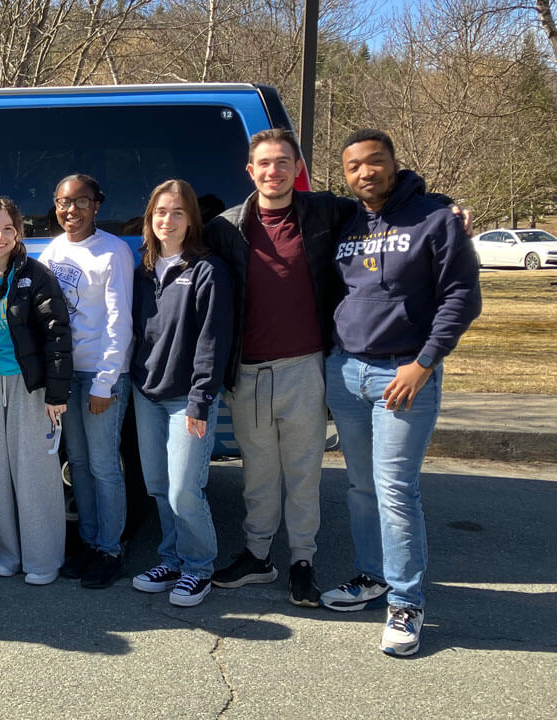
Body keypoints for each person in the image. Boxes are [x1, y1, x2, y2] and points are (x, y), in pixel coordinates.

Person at [321, 129, 480, 657]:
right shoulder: (345, 221)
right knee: (360, 487)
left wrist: (424, 363)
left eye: (375, 161)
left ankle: (407, 601)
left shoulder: (434, 217)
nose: (365, 172)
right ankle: (371, 577)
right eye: (354, 166)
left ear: (393, 163)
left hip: (403, 374)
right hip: (346, 371)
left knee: (395, 489)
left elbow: (461, 297)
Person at [202, 128, 350, 607]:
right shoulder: (225, 228)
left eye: (283, 161)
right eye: (264, 163)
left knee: (304, 473)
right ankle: (258, 556)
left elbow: (385, 206)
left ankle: (301, 561)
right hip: (247, 373)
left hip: (305, 367)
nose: (274, 171)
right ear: (251, 171)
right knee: (258, 474)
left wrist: (443, 208)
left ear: (297, 168)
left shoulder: (325, 212)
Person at [127, 179, 233, 608]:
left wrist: (201, 400)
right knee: (157, 484)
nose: (166, 220)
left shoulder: (207, 271)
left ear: (191, 219)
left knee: (184, 490)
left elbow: (212, 342)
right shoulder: (143, 270)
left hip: (186, 398)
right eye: (159, 212)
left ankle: (198, 567)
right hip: (146, 393)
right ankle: (170, 558)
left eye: (176, 212)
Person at [39, 174, 135, 589]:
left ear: (97, 204)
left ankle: (111, 549)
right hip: (66, 374)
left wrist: (105, 382)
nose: (70, 210)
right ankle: (90, 541)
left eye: (80, 202)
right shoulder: (54, 250)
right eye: (63, 202)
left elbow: (120, 322)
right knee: (76, 463)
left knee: (103, 465)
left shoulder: (113, 252)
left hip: (99, 374)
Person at [0, 197, 71, 586]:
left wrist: (57, 394)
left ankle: (43, 560)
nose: (0, 236)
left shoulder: (35, 275)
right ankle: (7, 555)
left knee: (34, 471)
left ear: (19, 234)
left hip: (32, 385)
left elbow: (57, 336)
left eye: (8, 229)